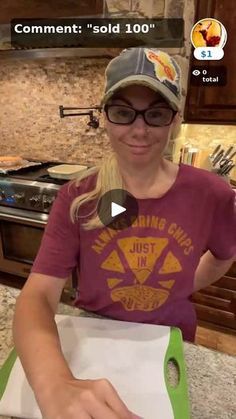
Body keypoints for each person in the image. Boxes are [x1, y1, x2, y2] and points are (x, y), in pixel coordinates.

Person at [13, 47, 236, 419]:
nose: (138, 129)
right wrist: (54, 383)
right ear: (105, 117)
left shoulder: (211, 193)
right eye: (122, 112)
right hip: (94, 339)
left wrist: (178, 285)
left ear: (174, 120)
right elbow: (37, 296)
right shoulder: (78, 197)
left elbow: (224, 254)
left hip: (168, 343)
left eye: (156, 113)